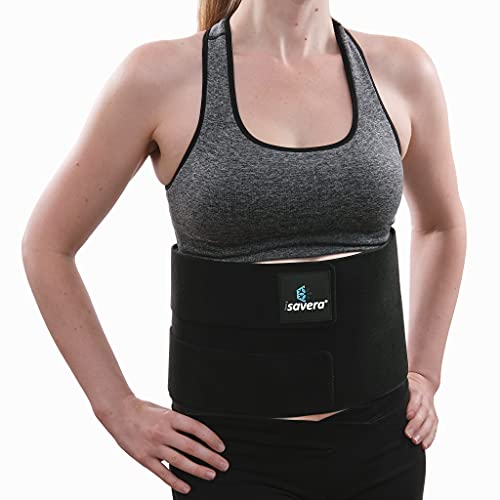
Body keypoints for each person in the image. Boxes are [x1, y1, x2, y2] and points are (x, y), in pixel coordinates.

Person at [21, 0, 467, 499]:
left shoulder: (403, 70)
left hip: (382, 443)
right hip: (226, 457)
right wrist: (116, 408)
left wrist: (425, 372)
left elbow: (441, 225)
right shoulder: (160, 77)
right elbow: (48, 245)